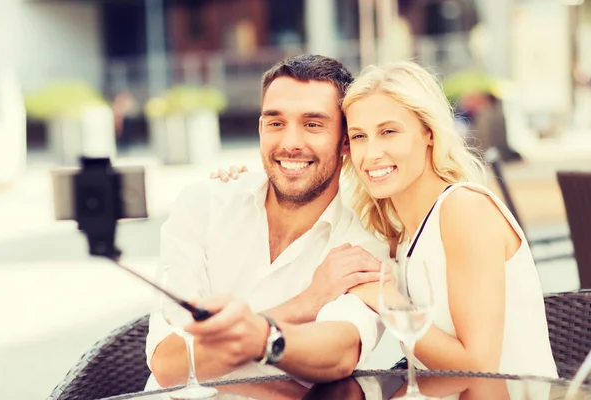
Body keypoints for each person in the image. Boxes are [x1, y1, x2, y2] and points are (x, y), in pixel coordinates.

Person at [214, 60, 558, 377]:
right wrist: (248, 181)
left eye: (389, 132)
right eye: (359, 137)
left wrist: (384, 298)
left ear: (429, 133)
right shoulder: (398, 228)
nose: (372, 153)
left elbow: (478, 369)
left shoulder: (464, 209)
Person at [145, 54, 391, 389]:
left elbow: (339, 354)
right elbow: (169, 366)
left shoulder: (363, 245)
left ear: (345, 140)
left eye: (313, 124)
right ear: (261, 128)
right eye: (276, 123)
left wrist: (226, 343)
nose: (290, 143)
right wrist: (307, 303)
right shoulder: (203, 205)